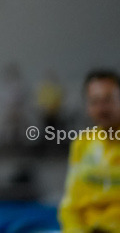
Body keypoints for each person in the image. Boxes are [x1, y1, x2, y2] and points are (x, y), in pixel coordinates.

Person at [58, 69, 120, 231]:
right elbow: (70, 205)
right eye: (94, 101)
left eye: (108, 100)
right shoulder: (82, 144)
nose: (101, 108)